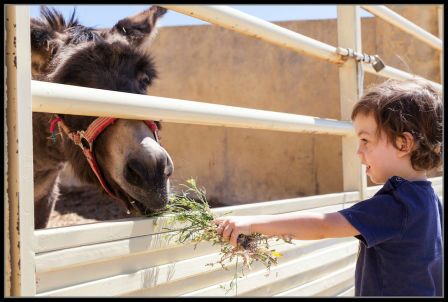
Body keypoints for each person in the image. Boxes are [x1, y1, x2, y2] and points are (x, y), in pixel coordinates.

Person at [213, 78, 443, 297]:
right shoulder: (430, 200)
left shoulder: (396, 206)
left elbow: (323, 225)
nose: (358, 151)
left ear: (403, 143)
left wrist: (251, 223)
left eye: (365, 140)